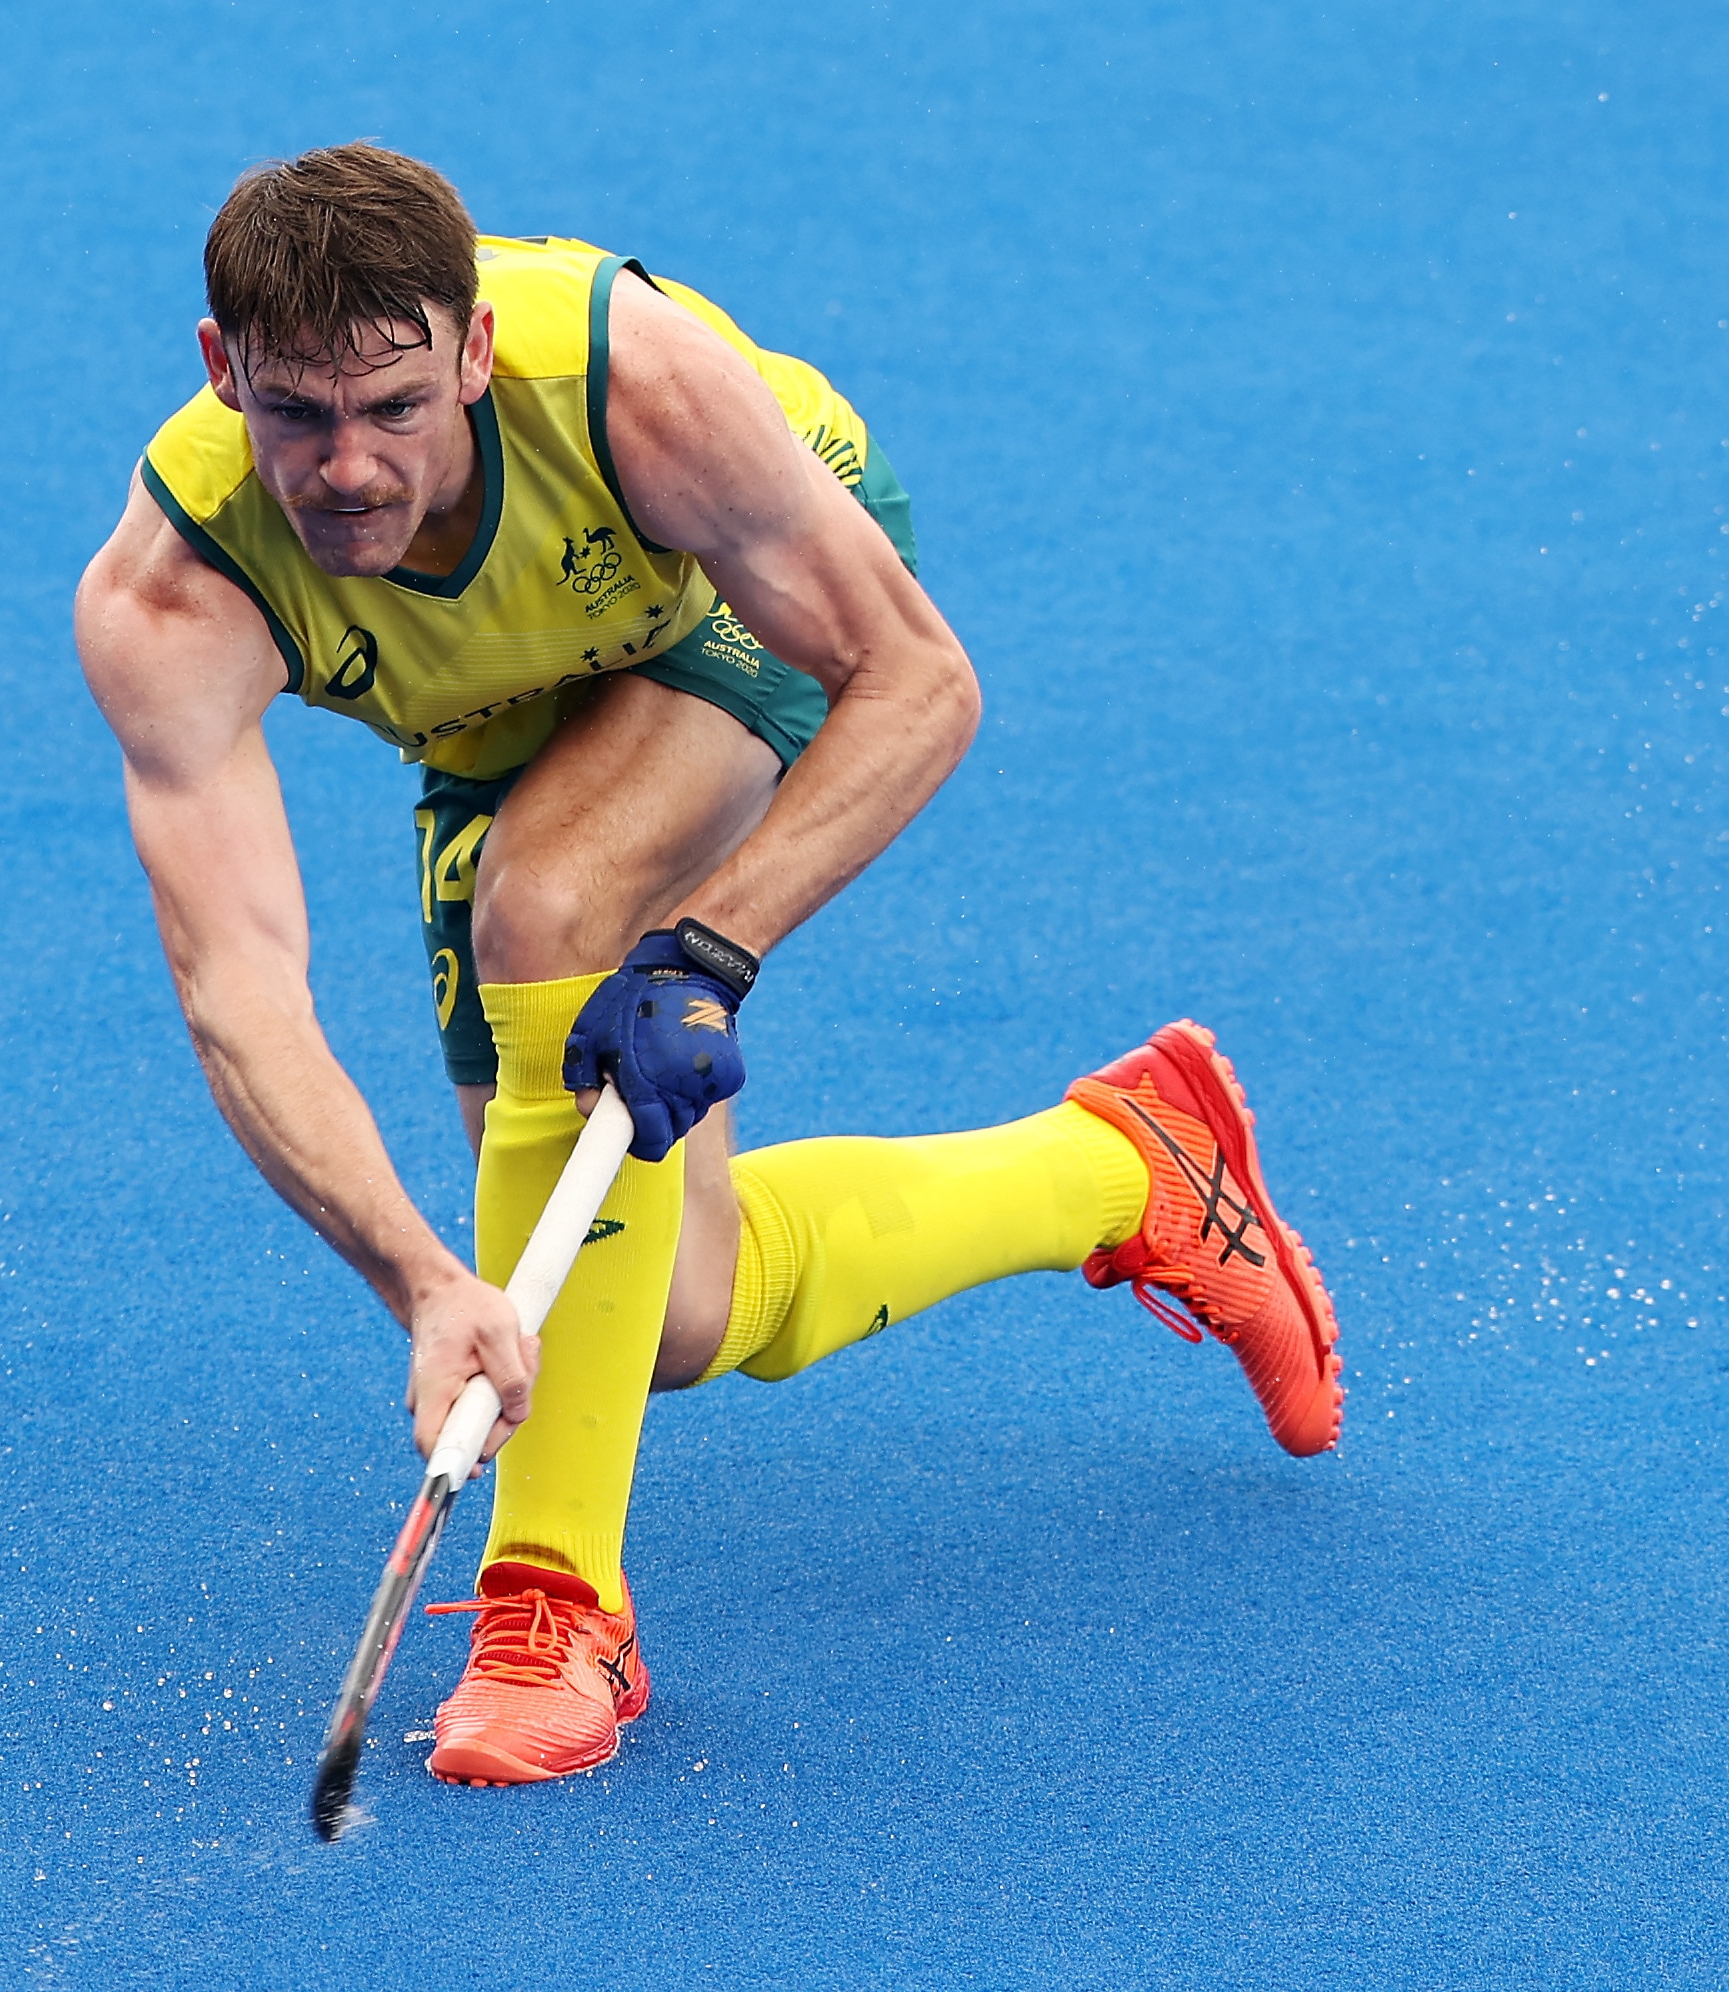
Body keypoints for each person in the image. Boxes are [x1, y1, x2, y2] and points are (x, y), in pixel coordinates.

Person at [73, 145, 1341, 1790]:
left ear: (470, 355)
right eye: (299, 415)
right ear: (220, 370)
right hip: (509, 717)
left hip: (734, 592)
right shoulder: (175, 591)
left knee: (545, 907)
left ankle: (555, 1604)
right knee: (662, 1310)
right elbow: (239, 992)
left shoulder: (633, 388)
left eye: (395, 408)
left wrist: (710, 949)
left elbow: (919, 681)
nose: (352, 469)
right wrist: (425, 1282)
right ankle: (1124, 1167)